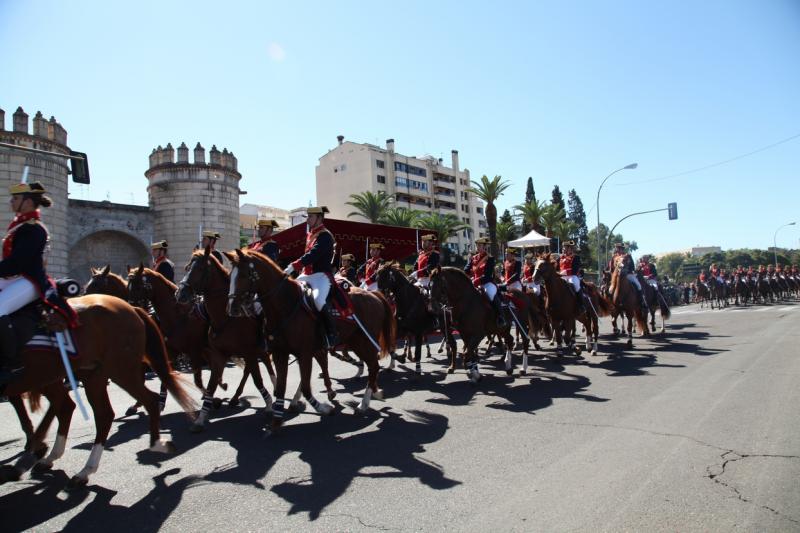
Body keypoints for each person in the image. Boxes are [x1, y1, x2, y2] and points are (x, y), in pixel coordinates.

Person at [0, 181, 77, 384]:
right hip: (13, 279)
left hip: (29, 280)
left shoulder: (34, 229)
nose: (11, 201)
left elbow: (17, 263)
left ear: (27, 202)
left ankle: (13, 362)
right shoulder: (20, 226)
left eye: (15, 198)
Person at [283, 206, 338, 347]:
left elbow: (313, 254)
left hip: (321, 276)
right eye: (307, 217)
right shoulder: (311, 235)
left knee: (318, 300)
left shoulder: (325, 235)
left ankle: (331, 333)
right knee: (287, 293)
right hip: (306, 275)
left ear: (319, 218)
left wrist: (293, 266)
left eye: (310, 217)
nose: (307, 220)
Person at [464, 237, 506, 327]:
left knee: (490, 295)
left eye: (480, 245)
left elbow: (487, 275)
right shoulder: (474, 258)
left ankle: (500, 317)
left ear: (484, 247)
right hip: (474, 282)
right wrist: (467, 272)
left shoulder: (490, 258)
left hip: (487, 283)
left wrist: (477, 280)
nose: (477, 247)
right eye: (477, 245)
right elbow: (466, 269)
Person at [609, 242, 647, 310]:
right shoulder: (614, 257)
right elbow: (611, 267)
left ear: (622, 249)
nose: (619, 249)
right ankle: (610, 304)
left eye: (620, 248)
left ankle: (641, 302)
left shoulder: (628, 256)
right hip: (616, 276)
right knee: (609, 289)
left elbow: (632, 266)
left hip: (628, 274)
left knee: (638, 286)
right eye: (618, 248)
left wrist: (630, 270)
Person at [558, 241, 584, 312]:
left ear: (570, 249)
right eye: (563, 247)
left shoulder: (576, 257)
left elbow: (575, 271)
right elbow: (556, 268)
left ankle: (581, 305)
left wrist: (565, 272)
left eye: (565, 248)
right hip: (561, 276)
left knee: (576, 285)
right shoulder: (560, 258)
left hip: (572, 276)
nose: (563, 249)